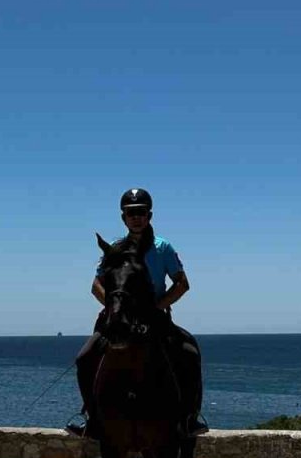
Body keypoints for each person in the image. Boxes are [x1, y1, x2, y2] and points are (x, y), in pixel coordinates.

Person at [66, 188, 208, 440]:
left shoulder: (163, 247)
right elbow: (95, 285)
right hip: (119, 319)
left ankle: (189, 417)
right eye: (131, 213)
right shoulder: (116, 248)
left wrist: (157, 306)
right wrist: (114, 307)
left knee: (189, 353)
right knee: (84, 357)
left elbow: (182, 284)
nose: (136, 218)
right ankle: (92, 419)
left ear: (149, 215)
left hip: (154, 319)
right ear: (123, 218)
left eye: (141, 212)